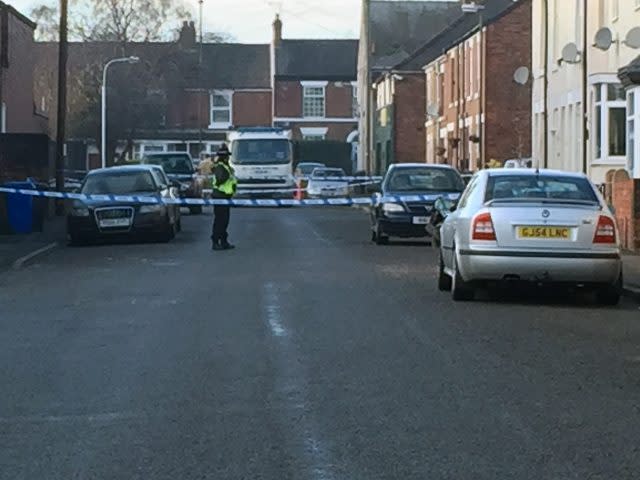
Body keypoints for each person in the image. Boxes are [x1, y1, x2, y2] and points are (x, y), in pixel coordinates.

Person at [211, 144, 237, 251]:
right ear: (225, 157)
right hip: (220, 196)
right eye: (227, 156)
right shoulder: (220, 167)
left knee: (224, 220)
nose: (228, 158)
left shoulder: (225, 166)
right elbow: (220, 179)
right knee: (220, 221)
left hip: (225, 197)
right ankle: (215, 242)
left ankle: (224, 241)